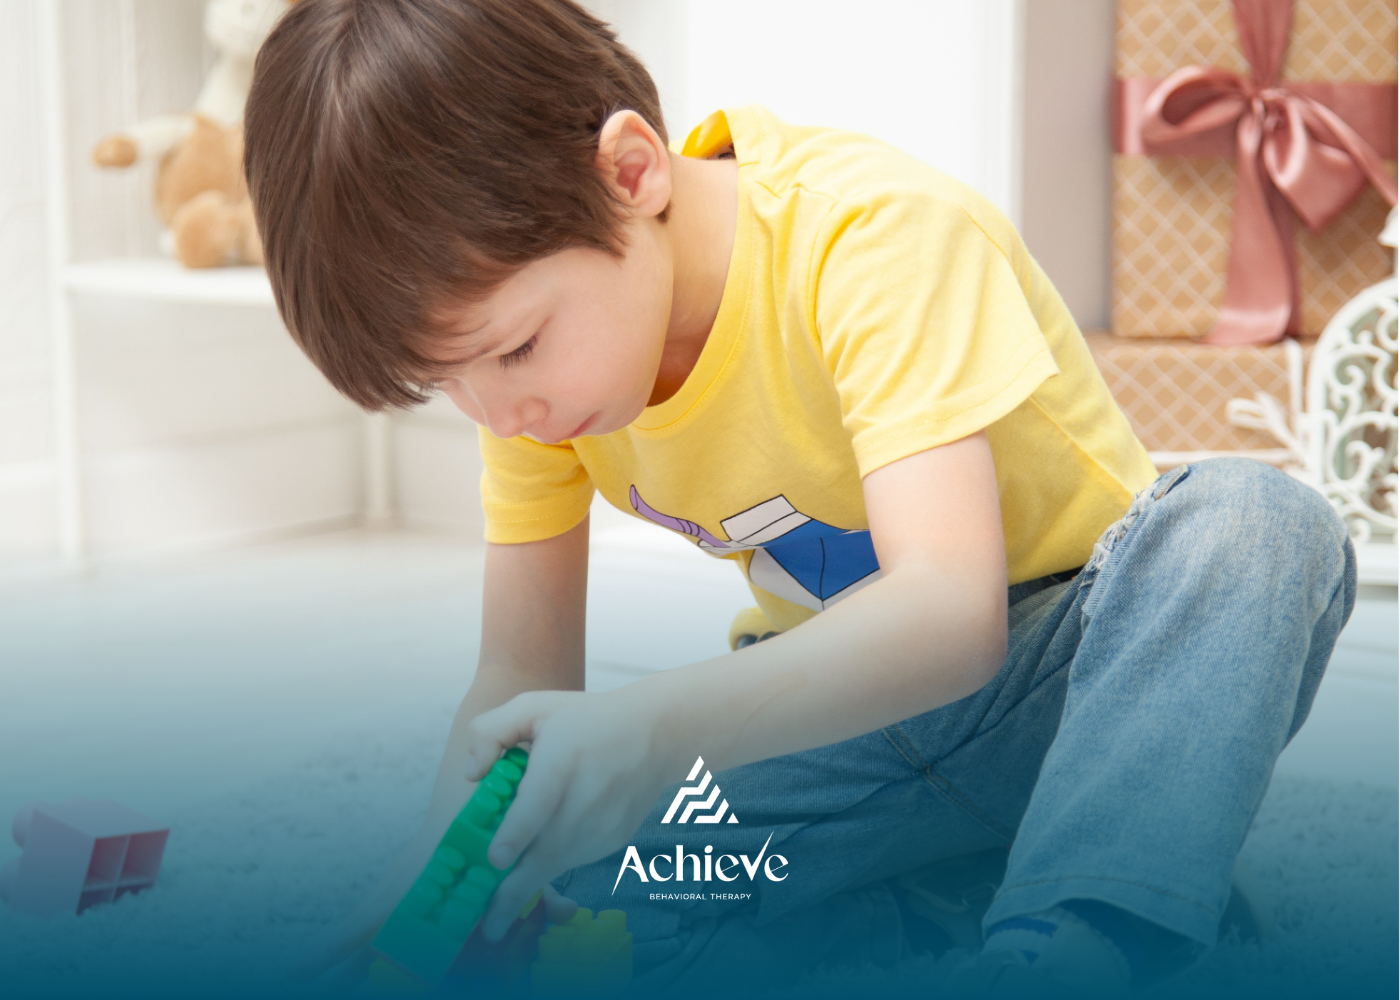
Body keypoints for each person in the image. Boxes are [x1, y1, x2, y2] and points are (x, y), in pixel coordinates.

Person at [242, 0, 1356, 995]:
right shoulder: (538, 395)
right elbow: (517, 680)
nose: (498, 412)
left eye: (516, 348)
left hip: (1071, 675)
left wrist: (645, 733)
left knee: (1249, 522)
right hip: (842, 733)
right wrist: (427, 897)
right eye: (450, 383)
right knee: (566, 868)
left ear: (630, 173)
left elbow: (948, 615)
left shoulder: (872, 237)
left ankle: (1074, 928)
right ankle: (951, 888)